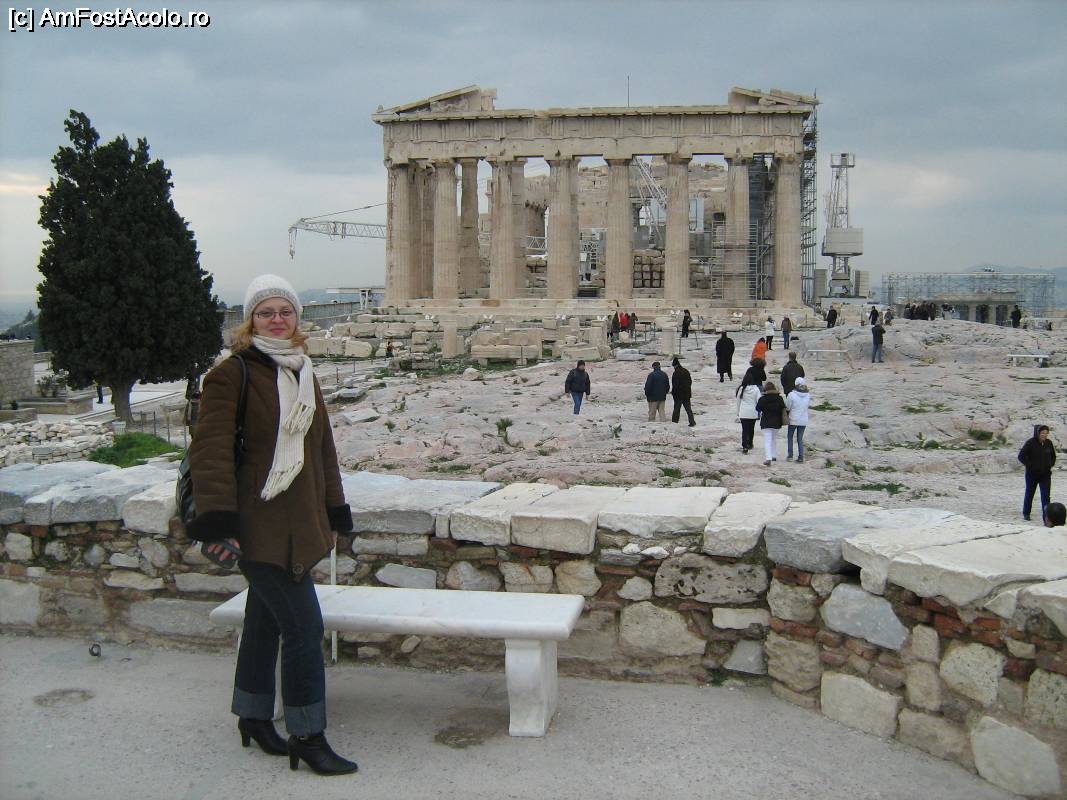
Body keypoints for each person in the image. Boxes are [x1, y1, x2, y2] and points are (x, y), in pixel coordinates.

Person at [187, 274, 358, 776]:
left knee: (263, 621)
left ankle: (253, 716)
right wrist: (219, 524)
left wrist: (335, 512)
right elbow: (210, 454)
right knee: (305, 628)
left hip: (300, 522)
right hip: (255, 525)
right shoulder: (231, 374)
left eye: (286, 311)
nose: (277, 319)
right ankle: (307, 735)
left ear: (297, 319)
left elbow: (322, 451)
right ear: (250, 321)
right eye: (266, 312)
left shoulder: (304, 372)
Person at [1019, 425, 1056, 521]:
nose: (1044, 435)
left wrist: (1050, 465)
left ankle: (1046, 517)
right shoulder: (1030, 443)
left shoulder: (1048, 443)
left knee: (1046, 496)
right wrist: (1030, 466)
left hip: (1045, 474)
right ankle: (1026, 513)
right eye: (1042, 433)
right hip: (1032, 474)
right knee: (1030, 493)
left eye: (1046, 433)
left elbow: (1053, 456)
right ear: (1038, 433)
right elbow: (1021, 456)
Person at [755, 381, 786, 466]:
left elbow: (757, 409)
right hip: (777, 422)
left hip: (766, 422)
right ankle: (774, 455)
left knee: (767, 440)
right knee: (773, 439)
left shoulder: (763, 399)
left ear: (765, 389)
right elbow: (783, 407)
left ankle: (768, 458)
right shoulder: (779, 398)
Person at [785, 376, 811, 463]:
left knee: (790, 436)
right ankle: (801, 457)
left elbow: (788, 407)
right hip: (803, 419)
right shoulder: (808, 395)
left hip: (793, 418)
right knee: (800, 438)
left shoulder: (791, 394)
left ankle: (790, 455)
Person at [735, 371, 761, 455]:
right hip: (753, 412)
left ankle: (745, 446)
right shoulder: (756, 389)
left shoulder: (742, 389)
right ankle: (750, 443)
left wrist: (738, 412)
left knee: (745, 430)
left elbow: (738, 401)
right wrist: (759, 411)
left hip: (744, 412)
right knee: (751, 429)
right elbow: (759, 400)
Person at [670, 356, 695, 427]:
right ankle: (692, 421)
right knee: (688, 409)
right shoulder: (686, 371)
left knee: (677, 409)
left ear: (675, 365)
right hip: (686, 394)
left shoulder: (676, 373)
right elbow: (690, 381)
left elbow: (675, 384)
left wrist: (673, 392)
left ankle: (674, 422)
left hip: (678, 395)